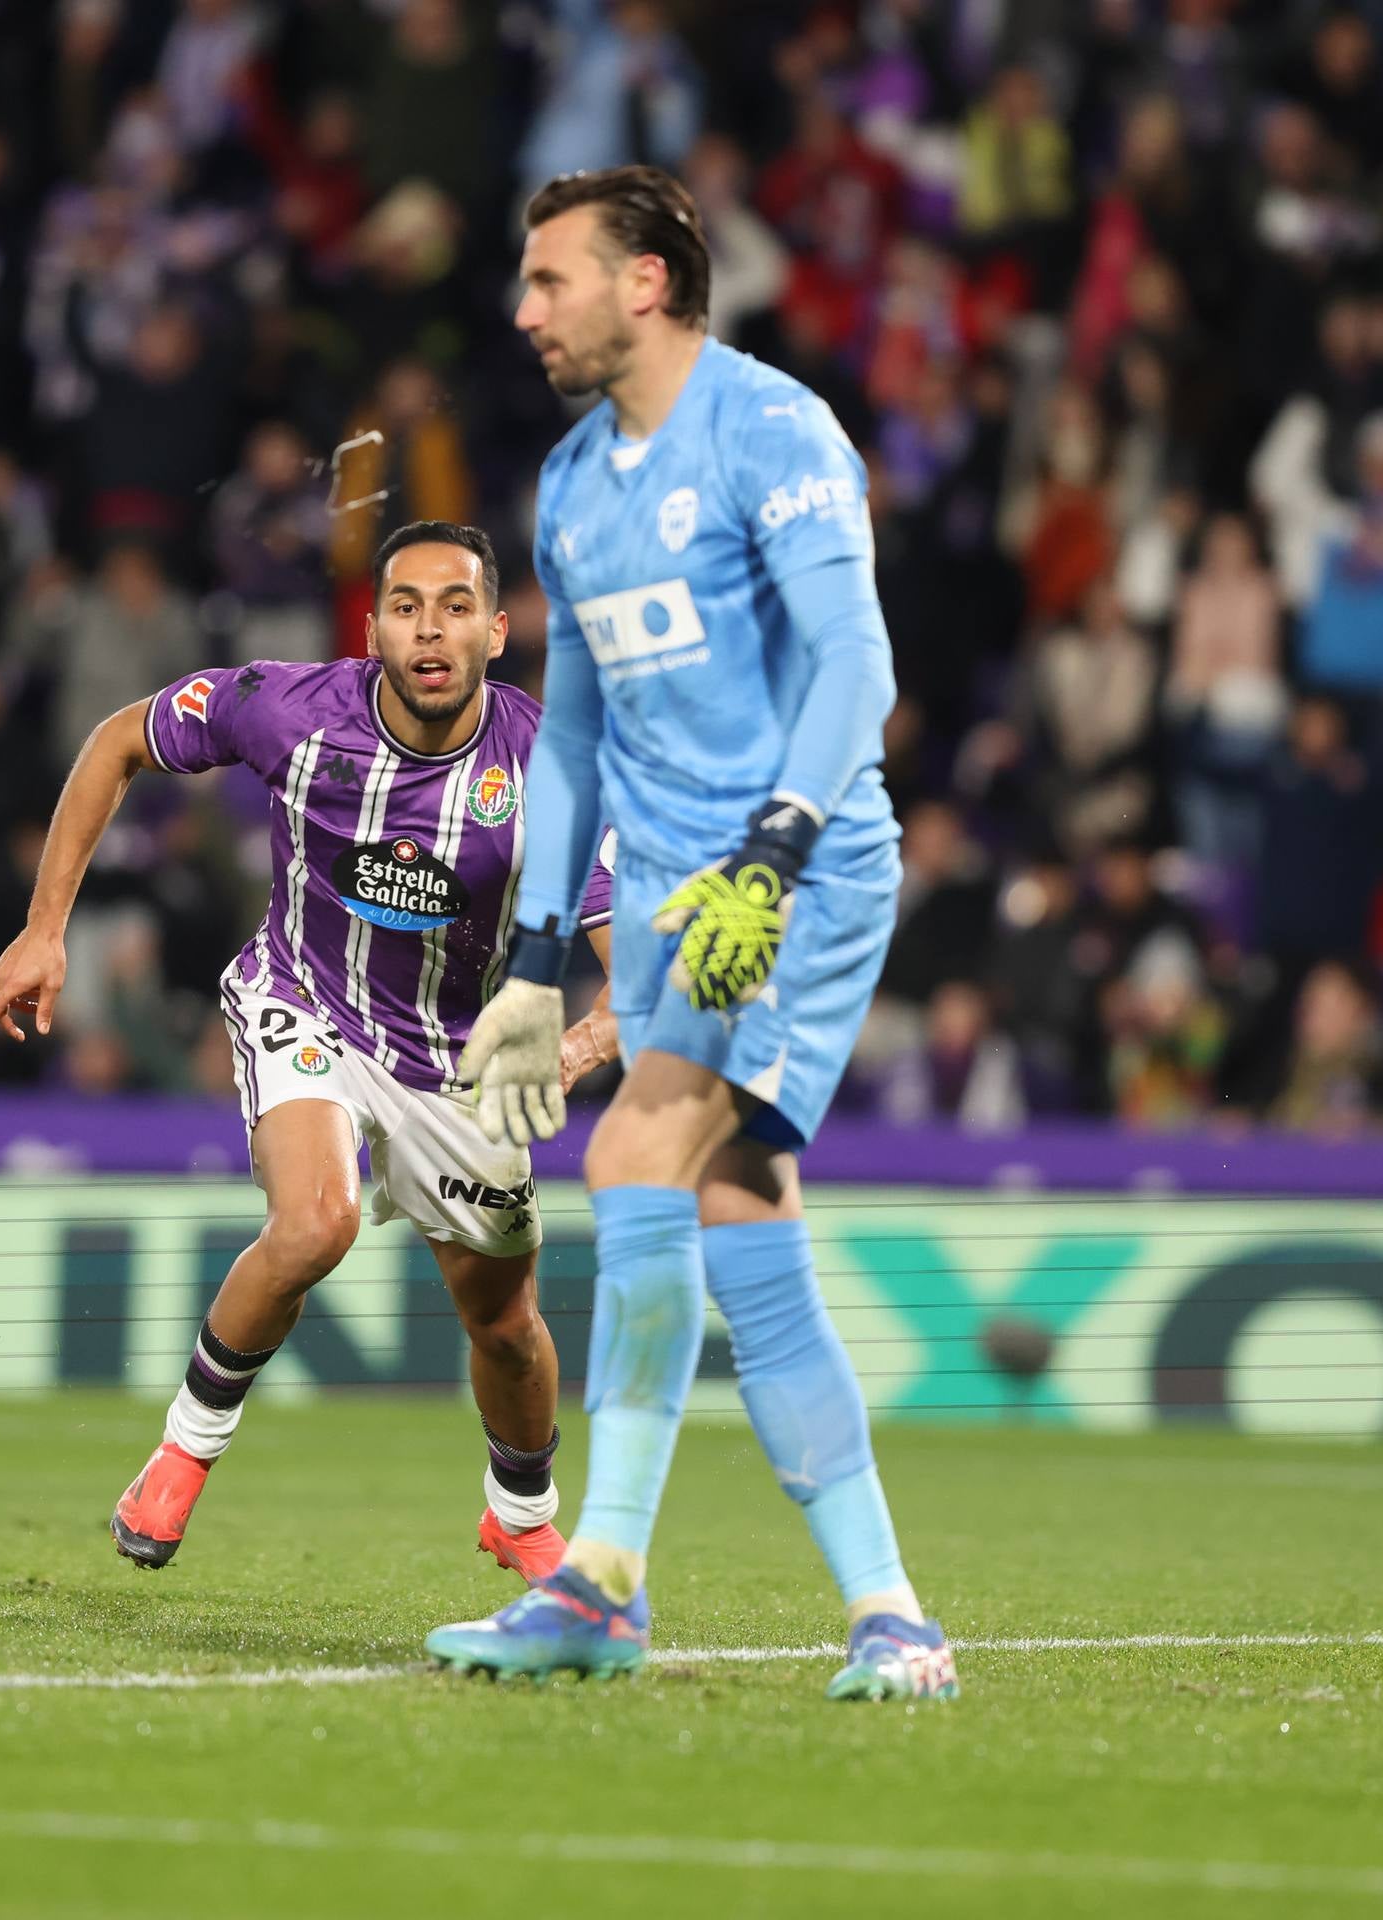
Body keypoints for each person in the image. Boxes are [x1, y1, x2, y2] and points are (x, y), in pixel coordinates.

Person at [429, 166, 954, 1700]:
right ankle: (890, 1615)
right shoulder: (573, 483)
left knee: (631, 1152)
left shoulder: (771, 431)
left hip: (788, 875)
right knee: (741, 1221)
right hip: (658, 898)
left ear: (644, 282)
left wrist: (775, 856)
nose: (522, 311)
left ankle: (597, 1579)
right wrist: (535, 958)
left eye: (549, 279)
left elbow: (856, 667)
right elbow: (573, 739)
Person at [0, 522, 606, 1583]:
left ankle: (521, 1509)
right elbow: (115, 742)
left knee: (504, 1326)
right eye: (406, 606)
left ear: (497, 633)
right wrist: (44, 928)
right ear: (374, 628)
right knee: (316, 1221)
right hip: (300, 999)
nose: (429, 630)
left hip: (455, 1062)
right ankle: (182, 1450)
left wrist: (576, 1049)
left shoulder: (554, 770)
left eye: (455, 607)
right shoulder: (289, 709)